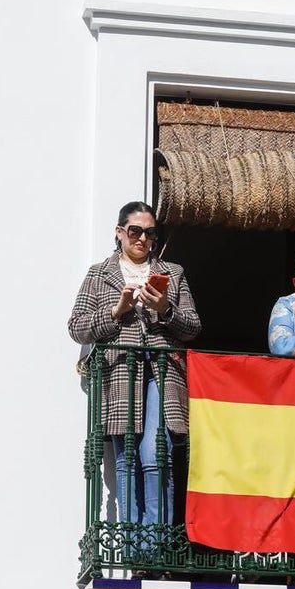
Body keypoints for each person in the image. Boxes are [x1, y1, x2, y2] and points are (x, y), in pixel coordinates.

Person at [68, 201, 201, 538]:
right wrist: (116, 311)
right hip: (119, 374)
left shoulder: (172, 273)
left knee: (156, 454)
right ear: (120, 232)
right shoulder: (99, 274)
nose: (143, 239)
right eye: (135, 231)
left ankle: (155, 544)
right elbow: (77, 327)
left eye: (150, 233)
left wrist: (165, 309)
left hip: (162, 372)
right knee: (127, 458)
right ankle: (132, 547)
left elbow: (192, 327)